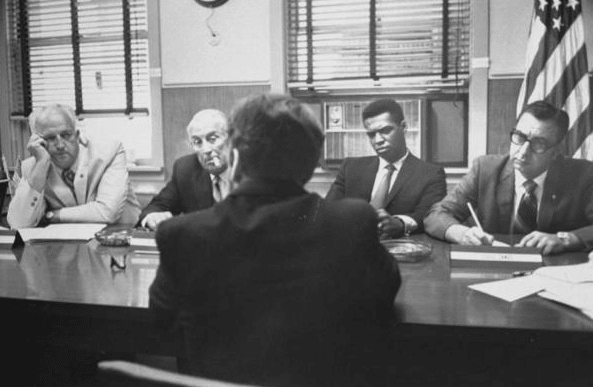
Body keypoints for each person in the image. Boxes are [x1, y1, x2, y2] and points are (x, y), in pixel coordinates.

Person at [149, 93, 401, 387]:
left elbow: (163, 324)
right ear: (310, 164)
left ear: (235, 157)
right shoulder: (352, 221)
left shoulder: (182, 234)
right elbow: (384, 297)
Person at [424, 100, 593, 255]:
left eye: (539, 144)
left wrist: (566, 239)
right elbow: (436, 214)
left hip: (555, 273)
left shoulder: (583, 175)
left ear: (557, 150)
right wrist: (461, 233)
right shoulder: (485, 169)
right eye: (519, 137)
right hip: (496, 270)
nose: (523, 152)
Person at [326, 98, 447, 239]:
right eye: (371, 134)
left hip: (400, 251)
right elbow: (329, 210)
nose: (377, 140)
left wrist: (401, 224)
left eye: (385, 131)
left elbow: (428, 215)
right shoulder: (350, 167)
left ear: (404, 127)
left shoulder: (431, 174)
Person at [7, 104, 141, 228]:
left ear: (77, 135)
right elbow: (18, 224)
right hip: (67, 247)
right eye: (50, 138)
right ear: (38, 141)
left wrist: (52, 215)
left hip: (119, 239)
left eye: (66, 135)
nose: (60, 145)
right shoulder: (32, 168)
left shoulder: (108, 152)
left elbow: (107, 212)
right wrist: (42, 163)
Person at [138, 109, 231, 230]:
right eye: (197, 142)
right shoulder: (186, 169)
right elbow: (157, 206)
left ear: (230, 138)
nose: (206, 149)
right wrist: (152, 216)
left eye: (212, 139)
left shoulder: (252, 168)